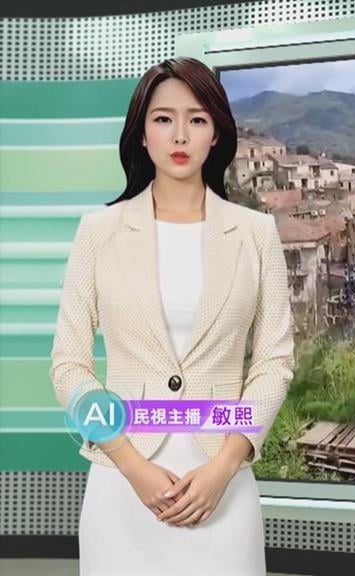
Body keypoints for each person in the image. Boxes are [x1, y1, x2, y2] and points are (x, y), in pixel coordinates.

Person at [51, 57, 294, 575]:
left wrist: (223, 467)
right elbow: (69, 367)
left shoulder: (256, 234)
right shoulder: (98, 232)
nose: (180, 134)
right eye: (163, 119)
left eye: (197, 119)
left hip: (222, 488)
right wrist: (131, 465)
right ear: (142, 134)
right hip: (121, 490)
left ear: (216, 134)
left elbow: (274, 363)